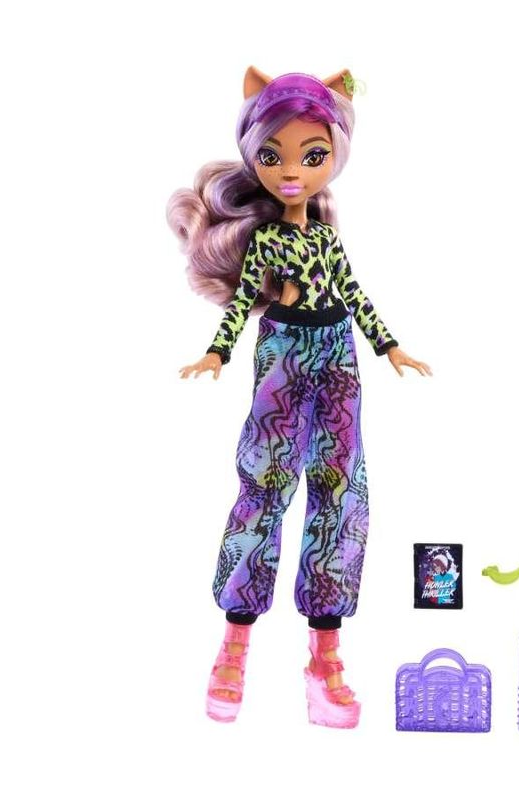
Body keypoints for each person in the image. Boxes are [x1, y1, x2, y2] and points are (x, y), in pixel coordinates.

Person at [167, 67, 431, 728]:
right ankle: (233, 645)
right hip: (283, 352)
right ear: (253, 156)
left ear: (334, 157)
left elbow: (354, 293)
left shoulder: (326, 239)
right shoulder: (266, 240)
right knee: (263, 483)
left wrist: (389, 345)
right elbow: (241, 303)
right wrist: (219, 351)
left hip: (338, 352)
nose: (291, 171)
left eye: (312, 156)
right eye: (273, 154)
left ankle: (325, 656)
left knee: (341, 490)